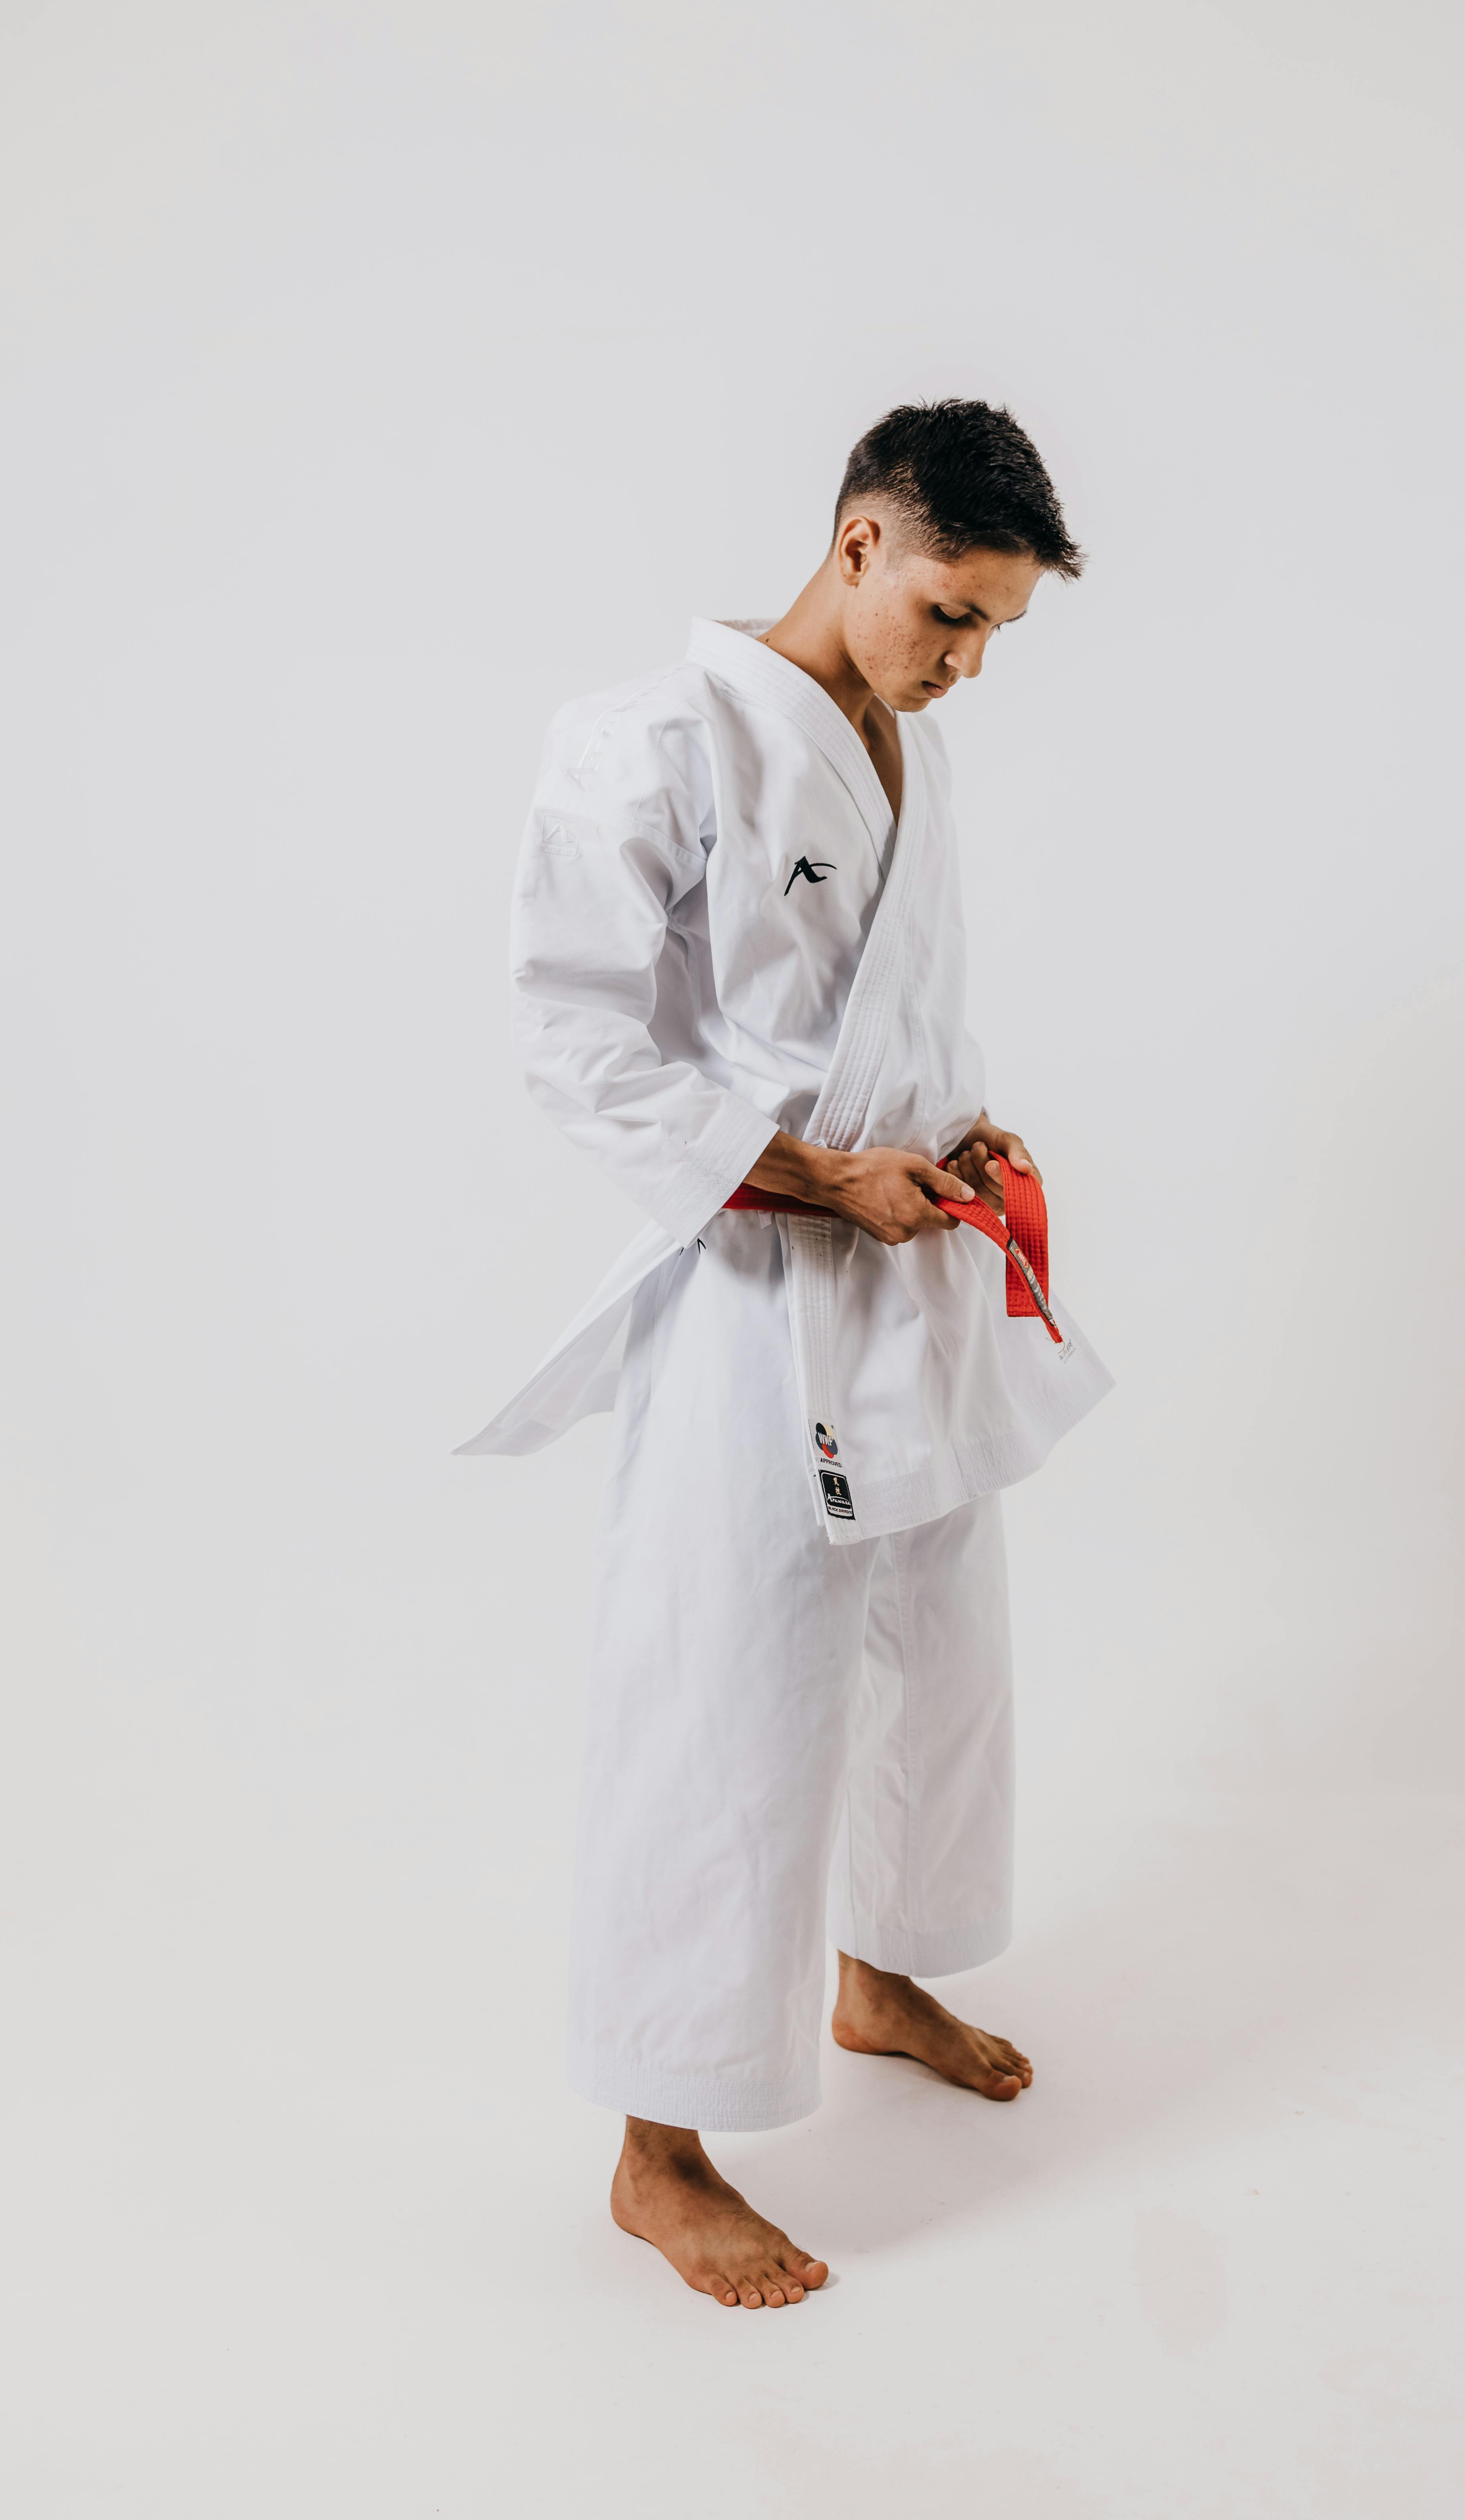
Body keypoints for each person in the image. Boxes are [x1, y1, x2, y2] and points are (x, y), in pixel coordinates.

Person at [459, 399, 1112, 2307]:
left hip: (903, 1261)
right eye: (952, 612)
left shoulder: (891, 740)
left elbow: (886, 1013)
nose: (968, 661)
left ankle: (877, 1966)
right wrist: (819, 1178)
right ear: (854, 541)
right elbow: (577, 1037)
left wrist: (953, 1130)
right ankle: (659, 2154)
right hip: (755, 1289)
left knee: (938, 1648)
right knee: (725, 1689)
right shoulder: (649, 742)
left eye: (995, 629)